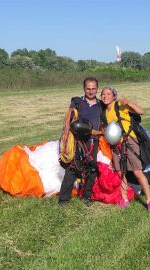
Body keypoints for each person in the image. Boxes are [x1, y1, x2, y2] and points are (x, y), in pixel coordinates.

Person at [100, 86, 150, 213]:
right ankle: (124, 199)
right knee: (121, 173)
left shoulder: (119, 104)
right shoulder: (104, 113)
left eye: (108, 94)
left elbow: (141, 111)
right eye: (103, 94)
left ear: (114, 96)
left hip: (129, 142)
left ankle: (149, 200)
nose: (105, 96)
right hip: (115, 145)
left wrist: (129, 102)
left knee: (137, 172)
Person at [58, 77, 102, 207]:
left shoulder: (101, 105)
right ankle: (63, 199)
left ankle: (86, 196)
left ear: (97, 89)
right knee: (72, 168)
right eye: (88, 88)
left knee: (92, 168)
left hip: (93, 141)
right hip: (77, 141)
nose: (91, 91)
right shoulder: (77, 103)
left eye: (93, 88)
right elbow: (68, 120)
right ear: (84, 89)